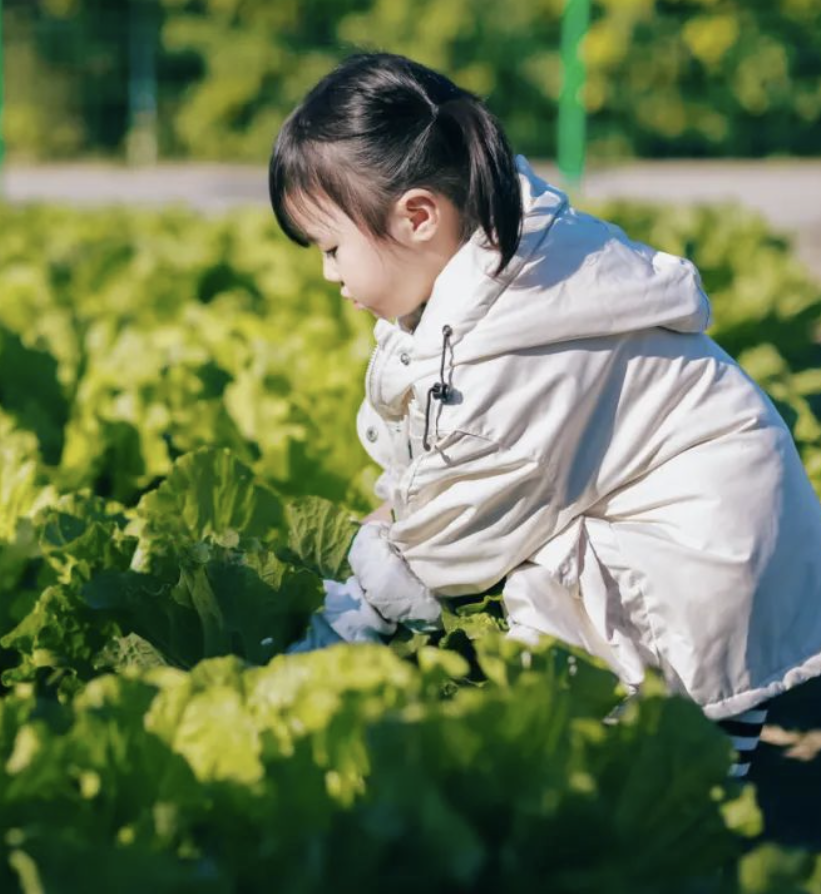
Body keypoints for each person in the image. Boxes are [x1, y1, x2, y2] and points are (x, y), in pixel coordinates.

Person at [269, 51, 821, 778]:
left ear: (418, 217)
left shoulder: (519, 346)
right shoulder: (502, 268)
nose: (329, 274)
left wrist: (344, 621)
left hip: (698, 579)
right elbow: (441, 472)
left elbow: (456, 537)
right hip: (685, 548)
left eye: (333, 248)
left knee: (652, 794)